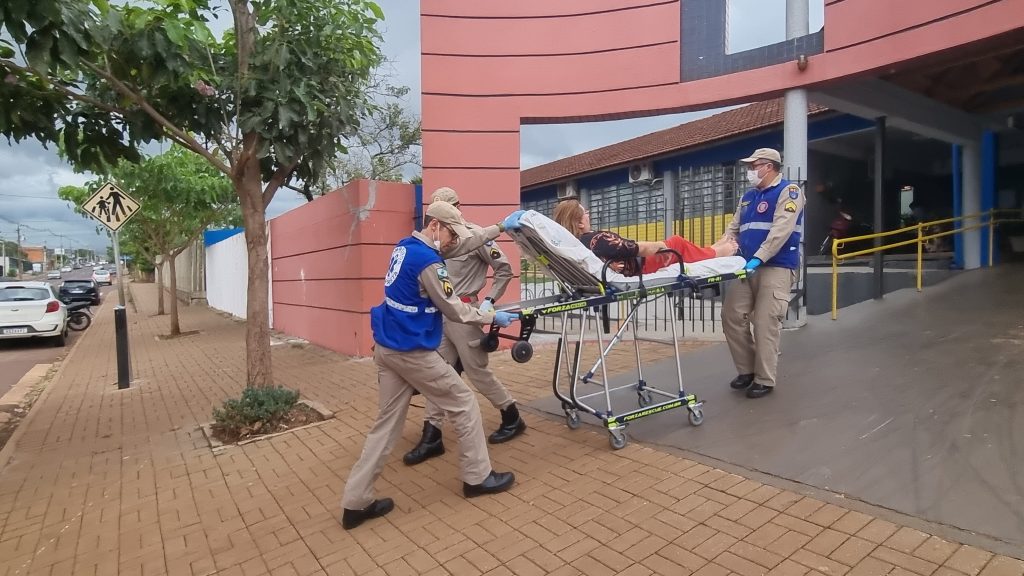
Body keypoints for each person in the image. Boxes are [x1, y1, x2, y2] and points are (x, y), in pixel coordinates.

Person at [340, 201, 527, 530]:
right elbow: (453, 308)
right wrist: (491, 315)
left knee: (386, 424)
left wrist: (499, 227)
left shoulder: (405, 247)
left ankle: (355, 501)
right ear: (436, 226)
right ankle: (477, 478)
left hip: (387, 346)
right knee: (465, 403)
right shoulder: (429, 261)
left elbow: (467, 244)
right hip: (411, 350)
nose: (455, 241)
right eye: (451, 234)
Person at [403, 188, 526, 467]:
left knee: (477, 371)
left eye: (445, 208)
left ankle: (511, 415)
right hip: (440, 314)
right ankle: (432, 434)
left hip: (467, 313)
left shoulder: (473, 235)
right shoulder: (434, 242)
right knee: (439, 373)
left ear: (458, 206)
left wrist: (490, 302)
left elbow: (504, 269)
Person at [720, 148, 805, 399]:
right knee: (731, 315)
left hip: (776, 266)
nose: (749, 171)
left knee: (765, 322)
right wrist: (719, 252)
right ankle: (746, 370)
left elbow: (781, 229)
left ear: (768, 166)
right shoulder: (747, 197)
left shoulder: (789, 192)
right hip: (747, 267)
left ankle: (764, 379)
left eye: (753, 166)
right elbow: (732, 230)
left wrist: (759, 257)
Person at [552, 199, 738, 276]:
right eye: (586, 213)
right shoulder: (597, 240)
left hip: (632, 264)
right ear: (579, 224)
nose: (589, 215)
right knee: (676, 243)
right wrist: (660, 245)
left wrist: (607, 264)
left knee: (678, 245)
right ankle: (717, 252)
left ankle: (710, 249)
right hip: (644, 264)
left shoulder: (577, 244)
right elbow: (635, 248)